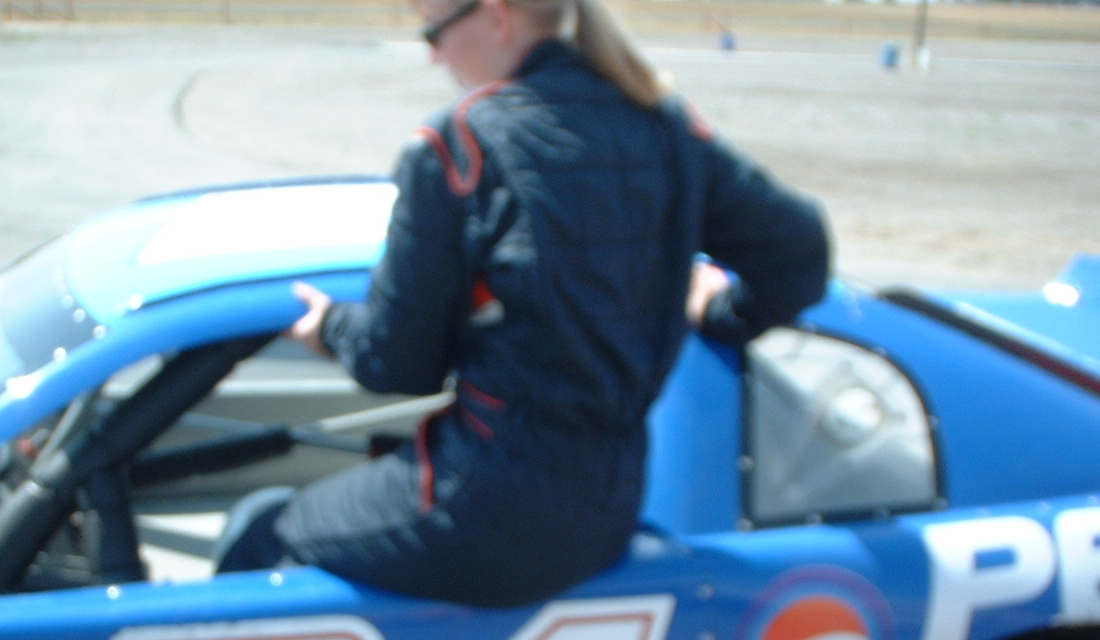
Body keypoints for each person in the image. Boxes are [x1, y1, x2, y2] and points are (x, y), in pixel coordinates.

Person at [217, 0, 829, 606]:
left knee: (260, 528)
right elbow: (800, 253)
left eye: (433, 30)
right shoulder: (665, 125)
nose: (433, 55)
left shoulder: (462, 144)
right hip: (607, 509)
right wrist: (718, 313)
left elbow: (395, 363)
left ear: (496, 16)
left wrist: (330, 326)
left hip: (486, 511)